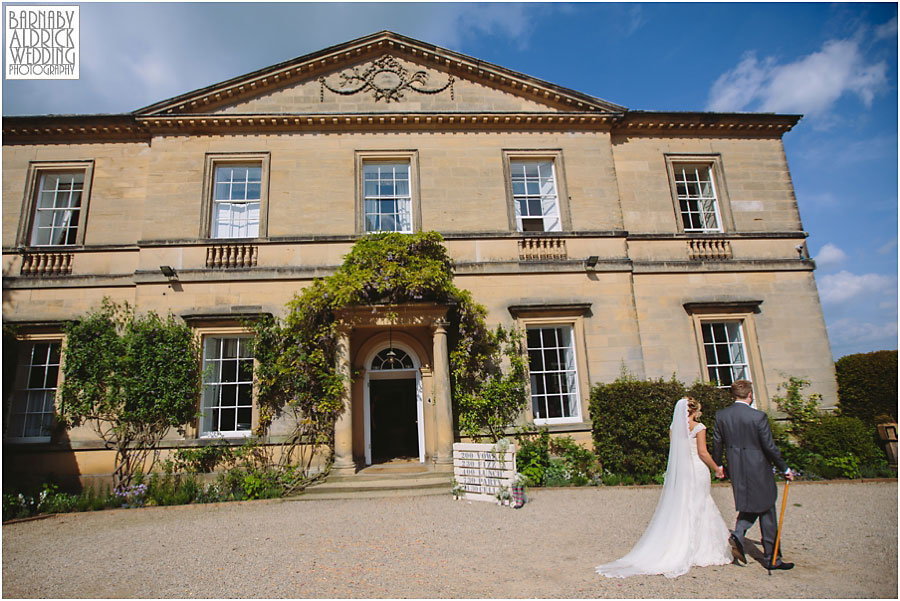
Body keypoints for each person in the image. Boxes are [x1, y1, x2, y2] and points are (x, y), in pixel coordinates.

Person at [596, 397, 732, 579]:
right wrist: (716, 467)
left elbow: (675, 451)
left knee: (683, 505)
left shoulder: (674, 429)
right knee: (701, 503)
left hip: (682, 471)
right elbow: (702, 452)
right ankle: (700, 549)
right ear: (693, 411)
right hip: (697, 469)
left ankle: (679, 544)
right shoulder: (699, 427)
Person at [712, 379, 795, 570]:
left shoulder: (721, 415)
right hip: (757, 466)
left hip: (736, 466)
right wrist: (784, 468)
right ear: (749, 395)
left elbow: (717, 443)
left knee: (751, 502)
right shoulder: (758, 417)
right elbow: (769, 447)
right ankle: (773, 557)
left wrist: (719, 465)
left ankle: (738, 534)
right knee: (766, 507)